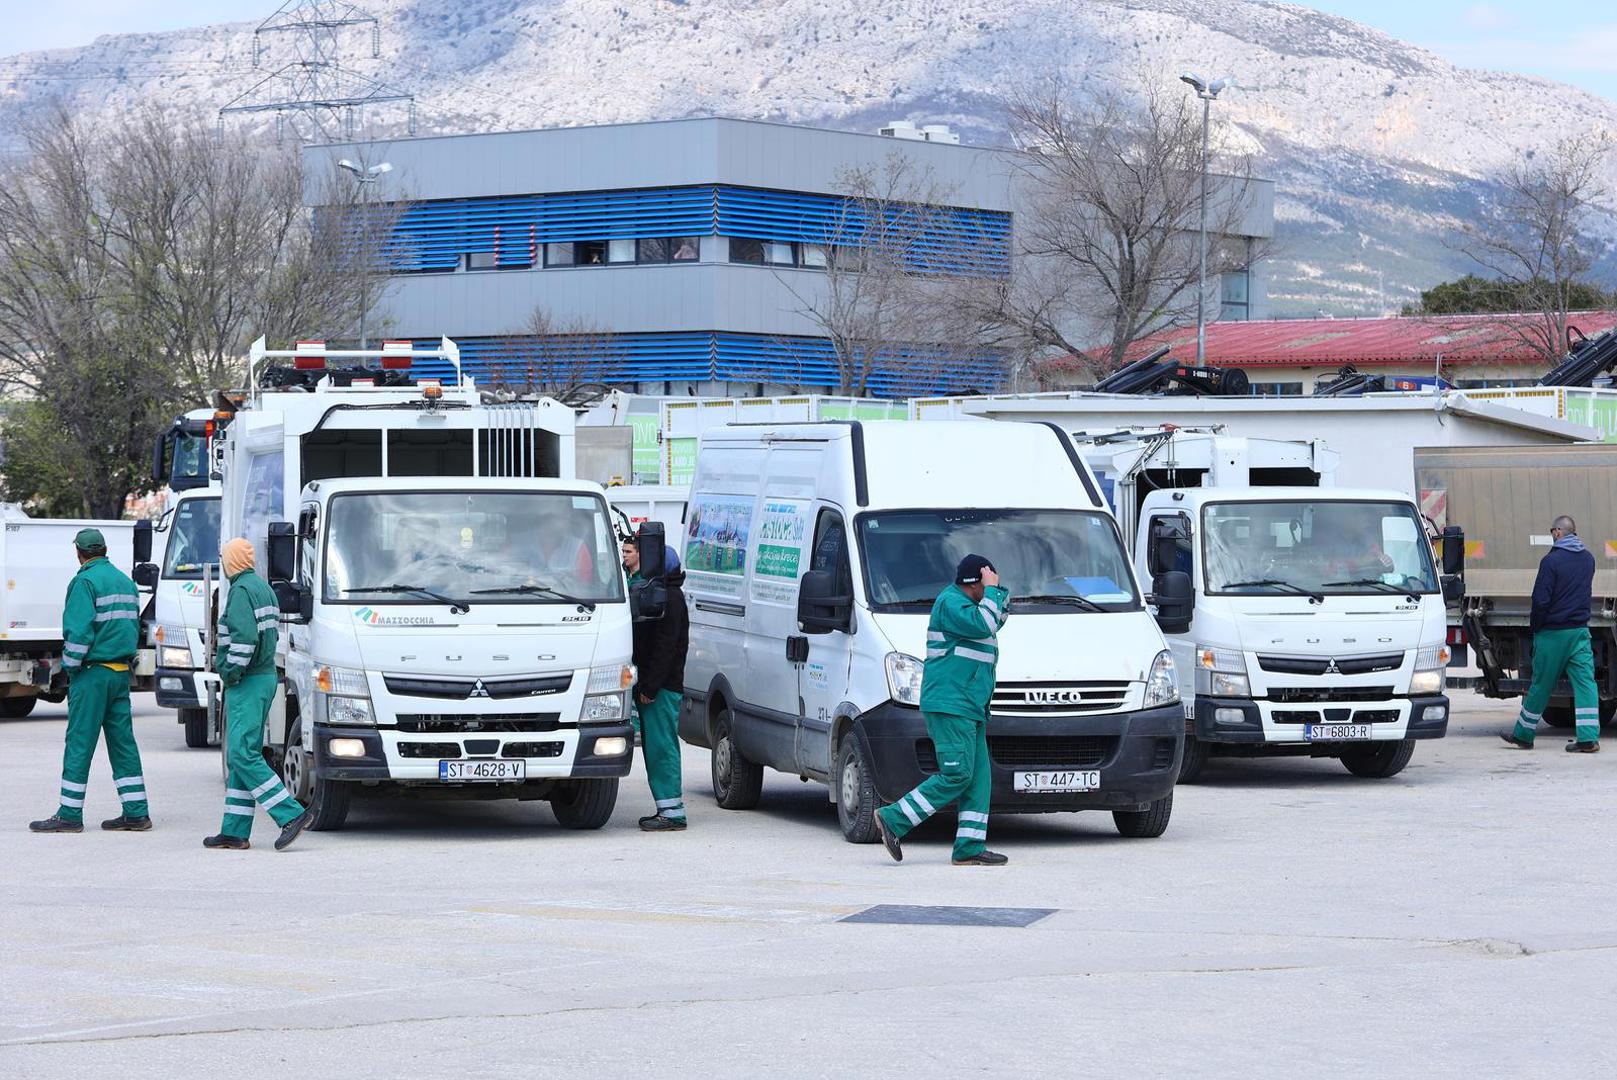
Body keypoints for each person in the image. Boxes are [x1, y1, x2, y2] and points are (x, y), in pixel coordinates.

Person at [874, 554, 1010, 867]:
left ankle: (969, 846)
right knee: (957, 773)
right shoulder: (951, 605)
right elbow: (985, 623)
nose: (991, 588)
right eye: (986, 583)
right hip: (951, 704)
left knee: (978, 779)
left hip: (969, 705)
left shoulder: (973, 605)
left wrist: (995, 591)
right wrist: (991, 592)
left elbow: (998, 618)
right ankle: (893, 819)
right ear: (974, 584)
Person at [30, 529, 148, 833]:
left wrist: (70, 667)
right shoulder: (126, 582)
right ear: (105, 550)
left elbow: (79, 633)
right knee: (123, 744)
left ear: (79, 554)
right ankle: (136, 812)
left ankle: (69, 814)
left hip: (93, 674)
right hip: (120, 673)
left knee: (80, 742)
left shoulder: (84, 582)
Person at [204, 538, 313, 850]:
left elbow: (243, 639)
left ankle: (290, 814)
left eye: (225, 557)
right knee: (245, 752)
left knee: (240, 753)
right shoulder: (262, 587)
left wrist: (230, 672)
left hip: (247, 680)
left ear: (234, 560)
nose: (223, 563)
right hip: (264, 676)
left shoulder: (240, 590)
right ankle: (235, 831)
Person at [1501, 515, 1601, 753]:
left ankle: (1524, 735)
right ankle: (1588, 739)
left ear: (1558, 532)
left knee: (1541, 685)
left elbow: (1541, 600)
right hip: (1579, 632)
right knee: (1586, 684)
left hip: (1553, 634)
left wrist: (1535, 627)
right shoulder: (1588, 559)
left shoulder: (1551, 561)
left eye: (1552, 532)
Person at [622, 534, 689, 831]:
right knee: (657, 746)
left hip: (661, 688)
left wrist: (649, 687)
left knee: (662, 747)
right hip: (658, 685)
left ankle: (672, 812)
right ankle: (666, 808)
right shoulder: (662, 593)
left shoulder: (670, 599)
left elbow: (666, 648)